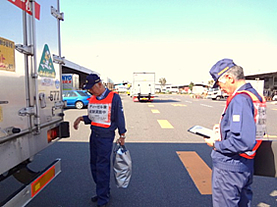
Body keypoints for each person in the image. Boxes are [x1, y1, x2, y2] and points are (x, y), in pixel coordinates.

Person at [205, 58, 266, 207]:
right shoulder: (253, 95)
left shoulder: (240, 99)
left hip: (230, 167)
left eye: (219, 83)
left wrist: (216, 144)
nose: (220, 88)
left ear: (230, 78)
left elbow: (243, 141)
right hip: (245, 164)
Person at [73, 74, 127, 207]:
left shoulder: (114, 97)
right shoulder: (93, 98)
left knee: (102, 166)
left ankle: (103, 198)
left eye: (91, 88)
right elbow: (94, 116)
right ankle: (102, 190)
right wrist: (81, 118)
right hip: (94, 135)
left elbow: (119, 116)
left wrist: (122, 135)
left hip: (106, 137)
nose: (90, 91)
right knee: (94, 165)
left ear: (99, 84)